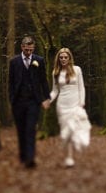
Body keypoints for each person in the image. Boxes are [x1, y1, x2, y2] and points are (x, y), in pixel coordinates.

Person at [8, 36, 51, 169]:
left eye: (31, 50)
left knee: (30, 129)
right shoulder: (14, 62)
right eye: (26, 50)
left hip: (34, 101)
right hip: (18, 101)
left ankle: (30, 158)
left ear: (34, 48)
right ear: (22, 47)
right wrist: (11, 99)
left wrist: (47, 98)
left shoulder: (39, 61)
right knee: (21, 130)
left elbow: (43, 80)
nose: (28, 52)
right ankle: (23, 155)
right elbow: (11, 82)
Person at [46, 47, 91, 168]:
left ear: (69, 58)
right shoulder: (55, 72)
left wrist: (82, 102)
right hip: (62, 105)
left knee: (72, 130)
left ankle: (72, 154)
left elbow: (81, 87)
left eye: (65, 57)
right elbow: (55, 91)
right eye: (61, 57)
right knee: (66, 132)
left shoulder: (77, 70)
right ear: (58, 59)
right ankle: (69, 157)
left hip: (75, 103)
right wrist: (48, 100)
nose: (63, 59)